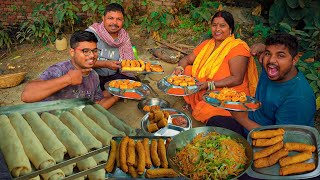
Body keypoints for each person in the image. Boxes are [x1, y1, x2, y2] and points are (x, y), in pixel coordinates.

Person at [207, 32, 316, 137]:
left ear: (295, 59)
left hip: (264, 141)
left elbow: (281, 141)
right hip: (251, 120)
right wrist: (261, 47)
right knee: (214, 121)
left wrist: (242, 119)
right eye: (268, 53)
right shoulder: (272, 69)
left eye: (280, 55)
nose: (271, 60)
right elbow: (263, 53)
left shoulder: (299, 98)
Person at [173, 10, 258, 123]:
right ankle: (194, 102)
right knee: (187, 70)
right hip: (203, 86)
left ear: (230, 29)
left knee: (205, 111)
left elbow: (237, 79)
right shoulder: (207, 44)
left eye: (222, 26)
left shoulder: (238, 48)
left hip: (226, 91)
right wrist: (180, 68)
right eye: (214, 25)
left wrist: (210, 84)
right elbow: (187, 59)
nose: (217, 29)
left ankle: (200, 105)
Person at [21, 31, 119, 109]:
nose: (92, 55)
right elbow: (27, 95)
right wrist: (68, 79)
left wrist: (117, 95)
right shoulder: (59, 70)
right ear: (72, 52)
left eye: (94, 51)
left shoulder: (94, 76)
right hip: (50, 123)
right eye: (85, 51)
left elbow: (97, 105)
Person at [86, 3, 139, 91]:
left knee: (135, 82)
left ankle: (111, 93)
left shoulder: (124, 37)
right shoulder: (91, 34)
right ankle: (111, 94)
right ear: (103, 18)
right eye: (110, 18)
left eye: (119, 19)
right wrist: (105, 64)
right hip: (92, 76)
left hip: (113, 76)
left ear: (123, 21)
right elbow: (81, 61)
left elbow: (128, 62)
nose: (114, 23)